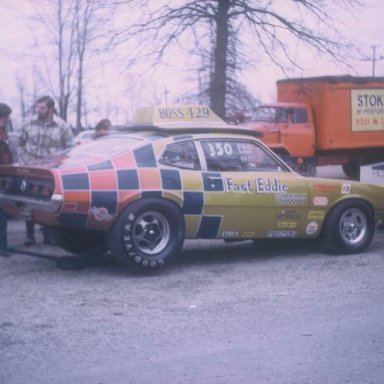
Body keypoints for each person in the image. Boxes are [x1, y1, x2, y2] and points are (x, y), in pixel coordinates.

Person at [18, 95, 74, 246]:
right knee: (27, 203)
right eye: (38, 107)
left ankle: (48, 234)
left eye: (42, 108)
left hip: (50, 173)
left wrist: (59, 164)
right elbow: (20, 143)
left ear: (51, 108)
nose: (39, 110)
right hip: (30, 170)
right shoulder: (28, 123)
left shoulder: (62, 126)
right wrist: (25, 162)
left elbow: (70, 149)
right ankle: (29, 235)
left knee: (48, 203)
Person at [0, 103, 14, 248]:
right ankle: (2, 245)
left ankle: (3, 244)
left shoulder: (3, 131)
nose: (8, 118)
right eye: (6, 116)